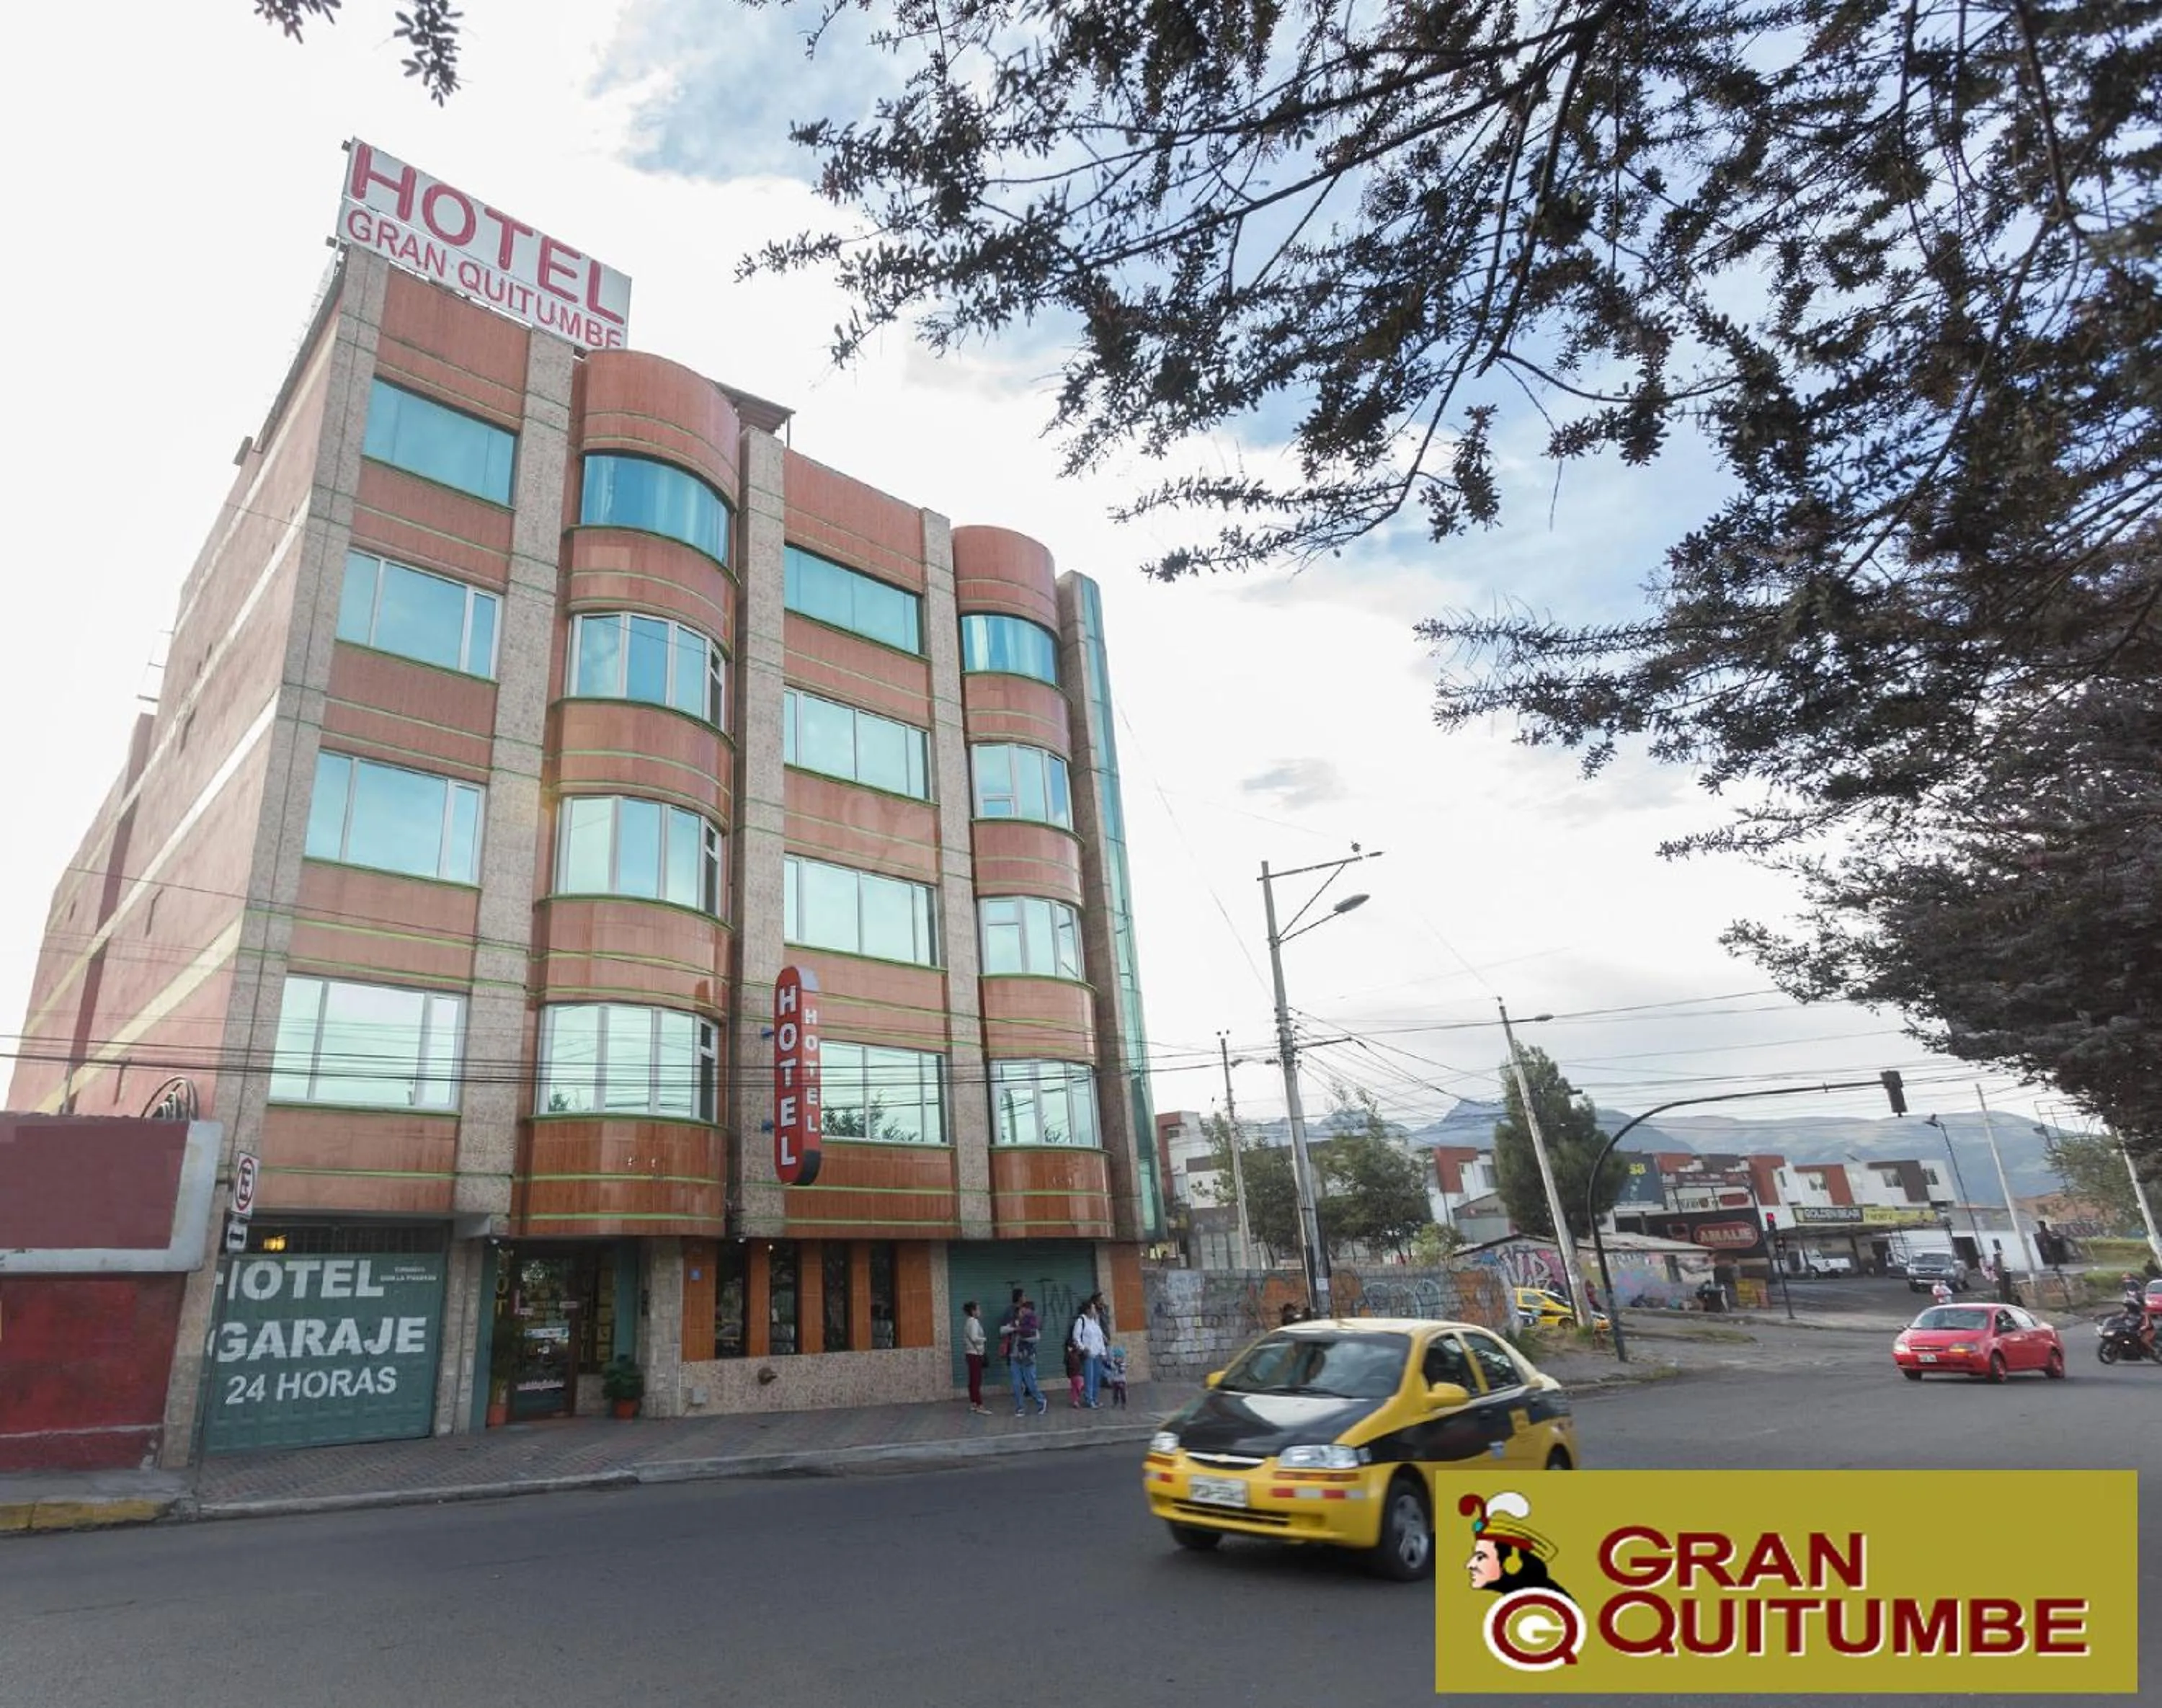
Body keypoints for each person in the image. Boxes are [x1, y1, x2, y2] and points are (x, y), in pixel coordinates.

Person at [1010, 1297, 1046, 1415]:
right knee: (1016, 1384)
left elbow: (1036, 1338)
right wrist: (1013, 1327)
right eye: (1021, 1310)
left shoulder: (1033, 1321)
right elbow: (1004, 1331)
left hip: (1027, 1356)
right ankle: (1020, 1407)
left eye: (1024, 1309)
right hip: (1015, 1356)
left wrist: (1021, 1333)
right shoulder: (1015, 1321)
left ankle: (1041, 1401)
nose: (1022, 1312)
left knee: (1031, 1383)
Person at [1073, 1300, 1108, 1408]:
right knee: (1089, 1377)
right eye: (1093, 1308)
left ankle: (1095, 1398)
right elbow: (1076, 1337)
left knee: (1097, 1377)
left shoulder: (1094, 1321)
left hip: (1097, 1354)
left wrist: (1103, 1352)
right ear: (1088, 1310)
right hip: (1088, 1354)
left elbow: (1100, 1338)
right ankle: (1089, 1399)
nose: (1095, 1310)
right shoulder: (1081, 1320)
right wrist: (1083, 1348)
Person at [961, 1299, 988, 1415]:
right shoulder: (974, 1322)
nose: (980, 1311)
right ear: (973, 1311)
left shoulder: (968, 1322)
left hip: (970, 1353)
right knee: (976, 1380)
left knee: (973, 1380)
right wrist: (984, 1339)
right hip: (975, 1354)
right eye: (978, 1309)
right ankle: (979, 1405)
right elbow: (974, 1337)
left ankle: (974, 1403)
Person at [1103, 1343, 1129, 1407]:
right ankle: (1115, 1402)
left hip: (1122, 1381)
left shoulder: (1123, 1364)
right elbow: (1109, 1366)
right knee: (1115, 1393)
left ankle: (1123, 1403)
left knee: (1123, 1393)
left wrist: (1120, 1366)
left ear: (1122, 1358)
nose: (1118, 1359)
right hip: (1115, 1381)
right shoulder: (1113, 1363)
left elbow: (1122, 1370)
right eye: (1116, 1357)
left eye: (1119, 1357)